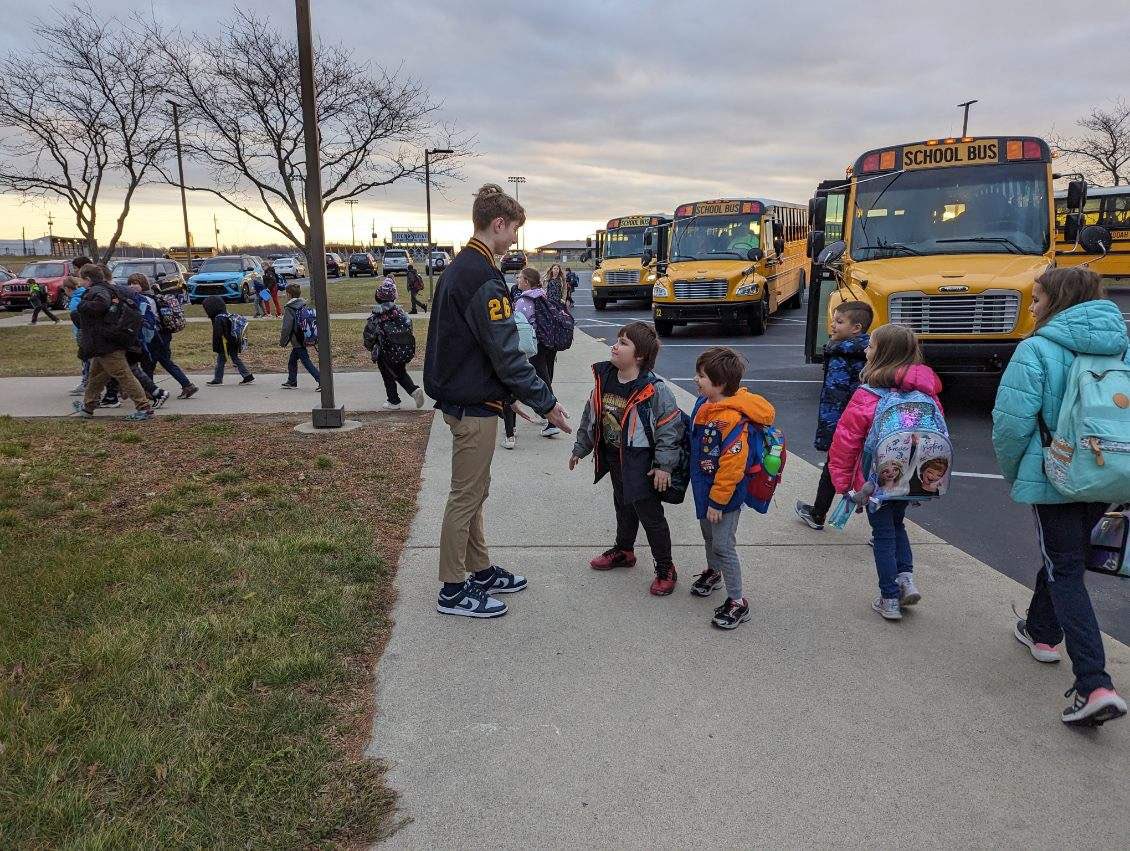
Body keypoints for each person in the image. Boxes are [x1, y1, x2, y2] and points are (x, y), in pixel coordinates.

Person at [423, 182, 571, 619]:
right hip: (471, 406)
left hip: (468, 399)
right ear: (499, 224)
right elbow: (507, 354)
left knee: (475, 492)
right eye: (514, 231)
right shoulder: (482, 277)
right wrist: (546, 403)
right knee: (466, 496)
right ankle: (453, 589)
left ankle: (480, 569)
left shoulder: (462, 267)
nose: (514, 241)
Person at [992, 266, 1128, 727]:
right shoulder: (1121, 345)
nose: (1031, 308)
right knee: (1064, 555)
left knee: (1065, 567)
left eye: (1037, 299)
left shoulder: (1037, 348)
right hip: (1110, 470)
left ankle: (1094, 683)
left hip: (1057, 472)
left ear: (1058, 300)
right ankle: (1042, 632)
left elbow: (1011, 423)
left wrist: (1017, 471)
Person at [827, 323, 942, 621]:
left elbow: (846, 441)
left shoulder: (868, 394)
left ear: (882, 355)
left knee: (882, 534)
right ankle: (906, 579)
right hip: (911, 478)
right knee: (897, 524)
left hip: (876, 480)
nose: (866, 350)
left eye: (871, 347)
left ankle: (889, 598)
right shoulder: (926, 392)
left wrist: (843, 483)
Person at [569, 321, 683, 596]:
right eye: (617, 340)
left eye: (623, 343)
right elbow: (591, 416)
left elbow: (669, 429)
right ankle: (624, 550)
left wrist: (663, 466)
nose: (615, 346)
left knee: (650, 516)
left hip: (641, 462)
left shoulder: (654, 389)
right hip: (614, 457)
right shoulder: (605, 379)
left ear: (640, 355)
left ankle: (665, 567)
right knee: (623, 506)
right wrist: (580, 448)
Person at [688, 347, 775, 628]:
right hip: (704, 487)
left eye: (702, 376)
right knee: (709, 537)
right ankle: (714, 572)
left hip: (723, 496)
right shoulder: (705, 405)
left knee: (724, 545)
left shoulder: (733, 419)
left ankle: (737, 601)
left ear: (721, 383)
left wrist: (718, 501)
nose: (696, 379)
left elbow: (732, 467)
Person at [795, 301, 873, 529]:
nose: (833, 325)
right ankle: (881, 528)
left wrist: (829, 431)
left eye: (839, 321)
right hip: (861, 421)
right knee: (868, 469)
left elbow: (835, 396)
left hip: (845, 424)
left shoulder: (842, 354)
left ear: (856, 328)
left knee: (834, 466)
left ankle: (818, 513)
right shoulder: (867, 352)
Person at [71, 265, 154, 421]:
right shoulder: (109, 288)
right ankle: (88, 407)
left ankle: (144, 408)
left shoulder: (97, 291)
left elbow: (101, 305)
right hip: (106, 341)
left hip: (106, 343)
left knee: (124, 375)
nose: (80, 282)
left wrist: (81, 306)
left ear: (87, 279)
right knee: (96, 376)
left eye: (81, 278)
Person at [512, 266, 561, 438]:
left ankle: (553, 422)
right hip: (550, 343)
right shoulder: (542, 294)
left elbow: (518, 324)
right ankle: (544, 414)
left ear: (526, 282)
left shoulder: (523, 301)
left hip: (536, 346)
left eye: (520, 277)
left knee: (542, 382)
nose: (517, 280)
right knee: (547, 378)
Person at [367, 277, 424, 410]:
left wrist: (371, 346)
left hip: (384, 352)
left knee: (388, 376)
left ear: (378, 297)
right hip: (401, 350)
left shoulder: (377, 316)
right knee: (400, 372)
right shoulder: (400, 313)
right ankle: (413, 391)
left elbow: (369, 335)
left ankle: (394, 400)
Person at [203, 294, 254, 385]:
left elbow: (218, 334)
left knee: (220, 362)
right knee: (235, 359)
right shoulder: (227, 315)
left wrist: (216, 346)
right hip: (233, 342)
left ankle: (218, 379)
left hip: (225, 344)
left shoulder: (218, 319)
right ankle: (247, 376)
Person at [279, 282, 320, 389]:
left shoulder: (290, 307)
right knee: (292, 360)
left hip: (297, 338)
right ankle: (292, 381)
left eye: (286, 293)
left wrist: (282, 341)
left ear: (289, 294)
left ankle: (321, 380)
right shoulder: (302, 303)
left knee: (306, 361)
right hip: (303, 335)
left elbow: (286, 327)